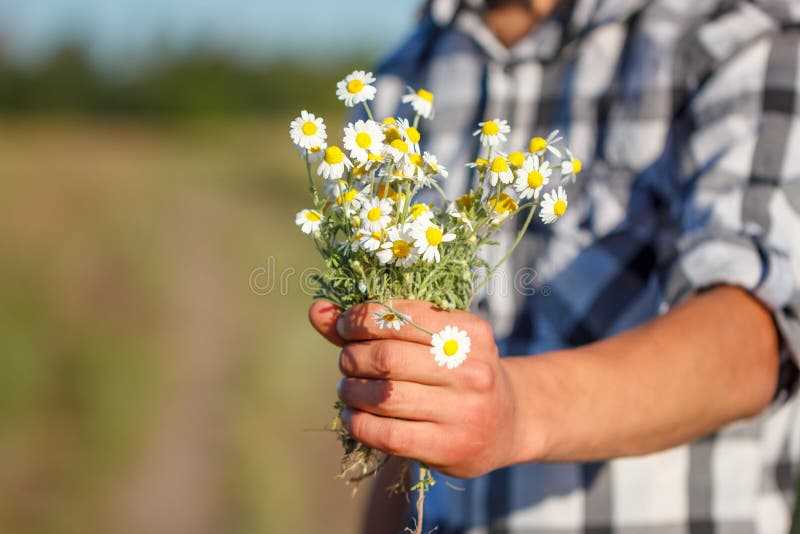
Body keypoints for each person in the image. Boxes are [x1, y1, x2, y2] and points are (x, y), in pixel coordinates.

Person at [309, 0, 800, 532]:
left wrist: (514, 412)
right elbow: (409, 403)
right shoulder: (405, 72)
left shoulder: (737, 35)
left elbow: (756, 332)